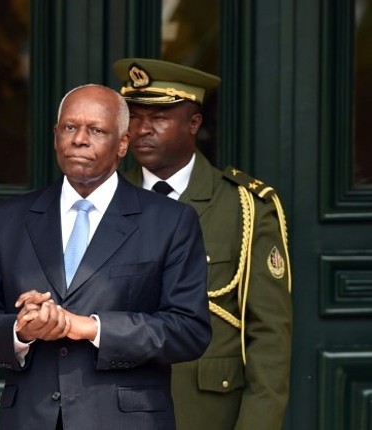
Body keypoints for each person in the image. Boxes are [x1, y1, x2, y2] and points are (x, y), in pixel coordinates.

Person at [0, 84, 212, 430]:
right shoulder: (7, 220)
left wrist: (91, 327)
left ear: (123, 143)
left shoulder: (169, 221)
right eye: (70, 127)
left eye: (96, 130)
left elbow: (189, 330)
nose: (79, 139)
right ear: (55, 136)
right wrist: (21, 329)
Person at [115, 58, 293, 430]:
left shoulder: (244, 207)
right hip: (115, 408)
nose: (142, 129)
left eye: (158, 118)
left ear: (194, 124)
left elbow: (268, 335)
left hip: (206, 412)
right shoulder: (105, 201)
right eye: (134, 117)